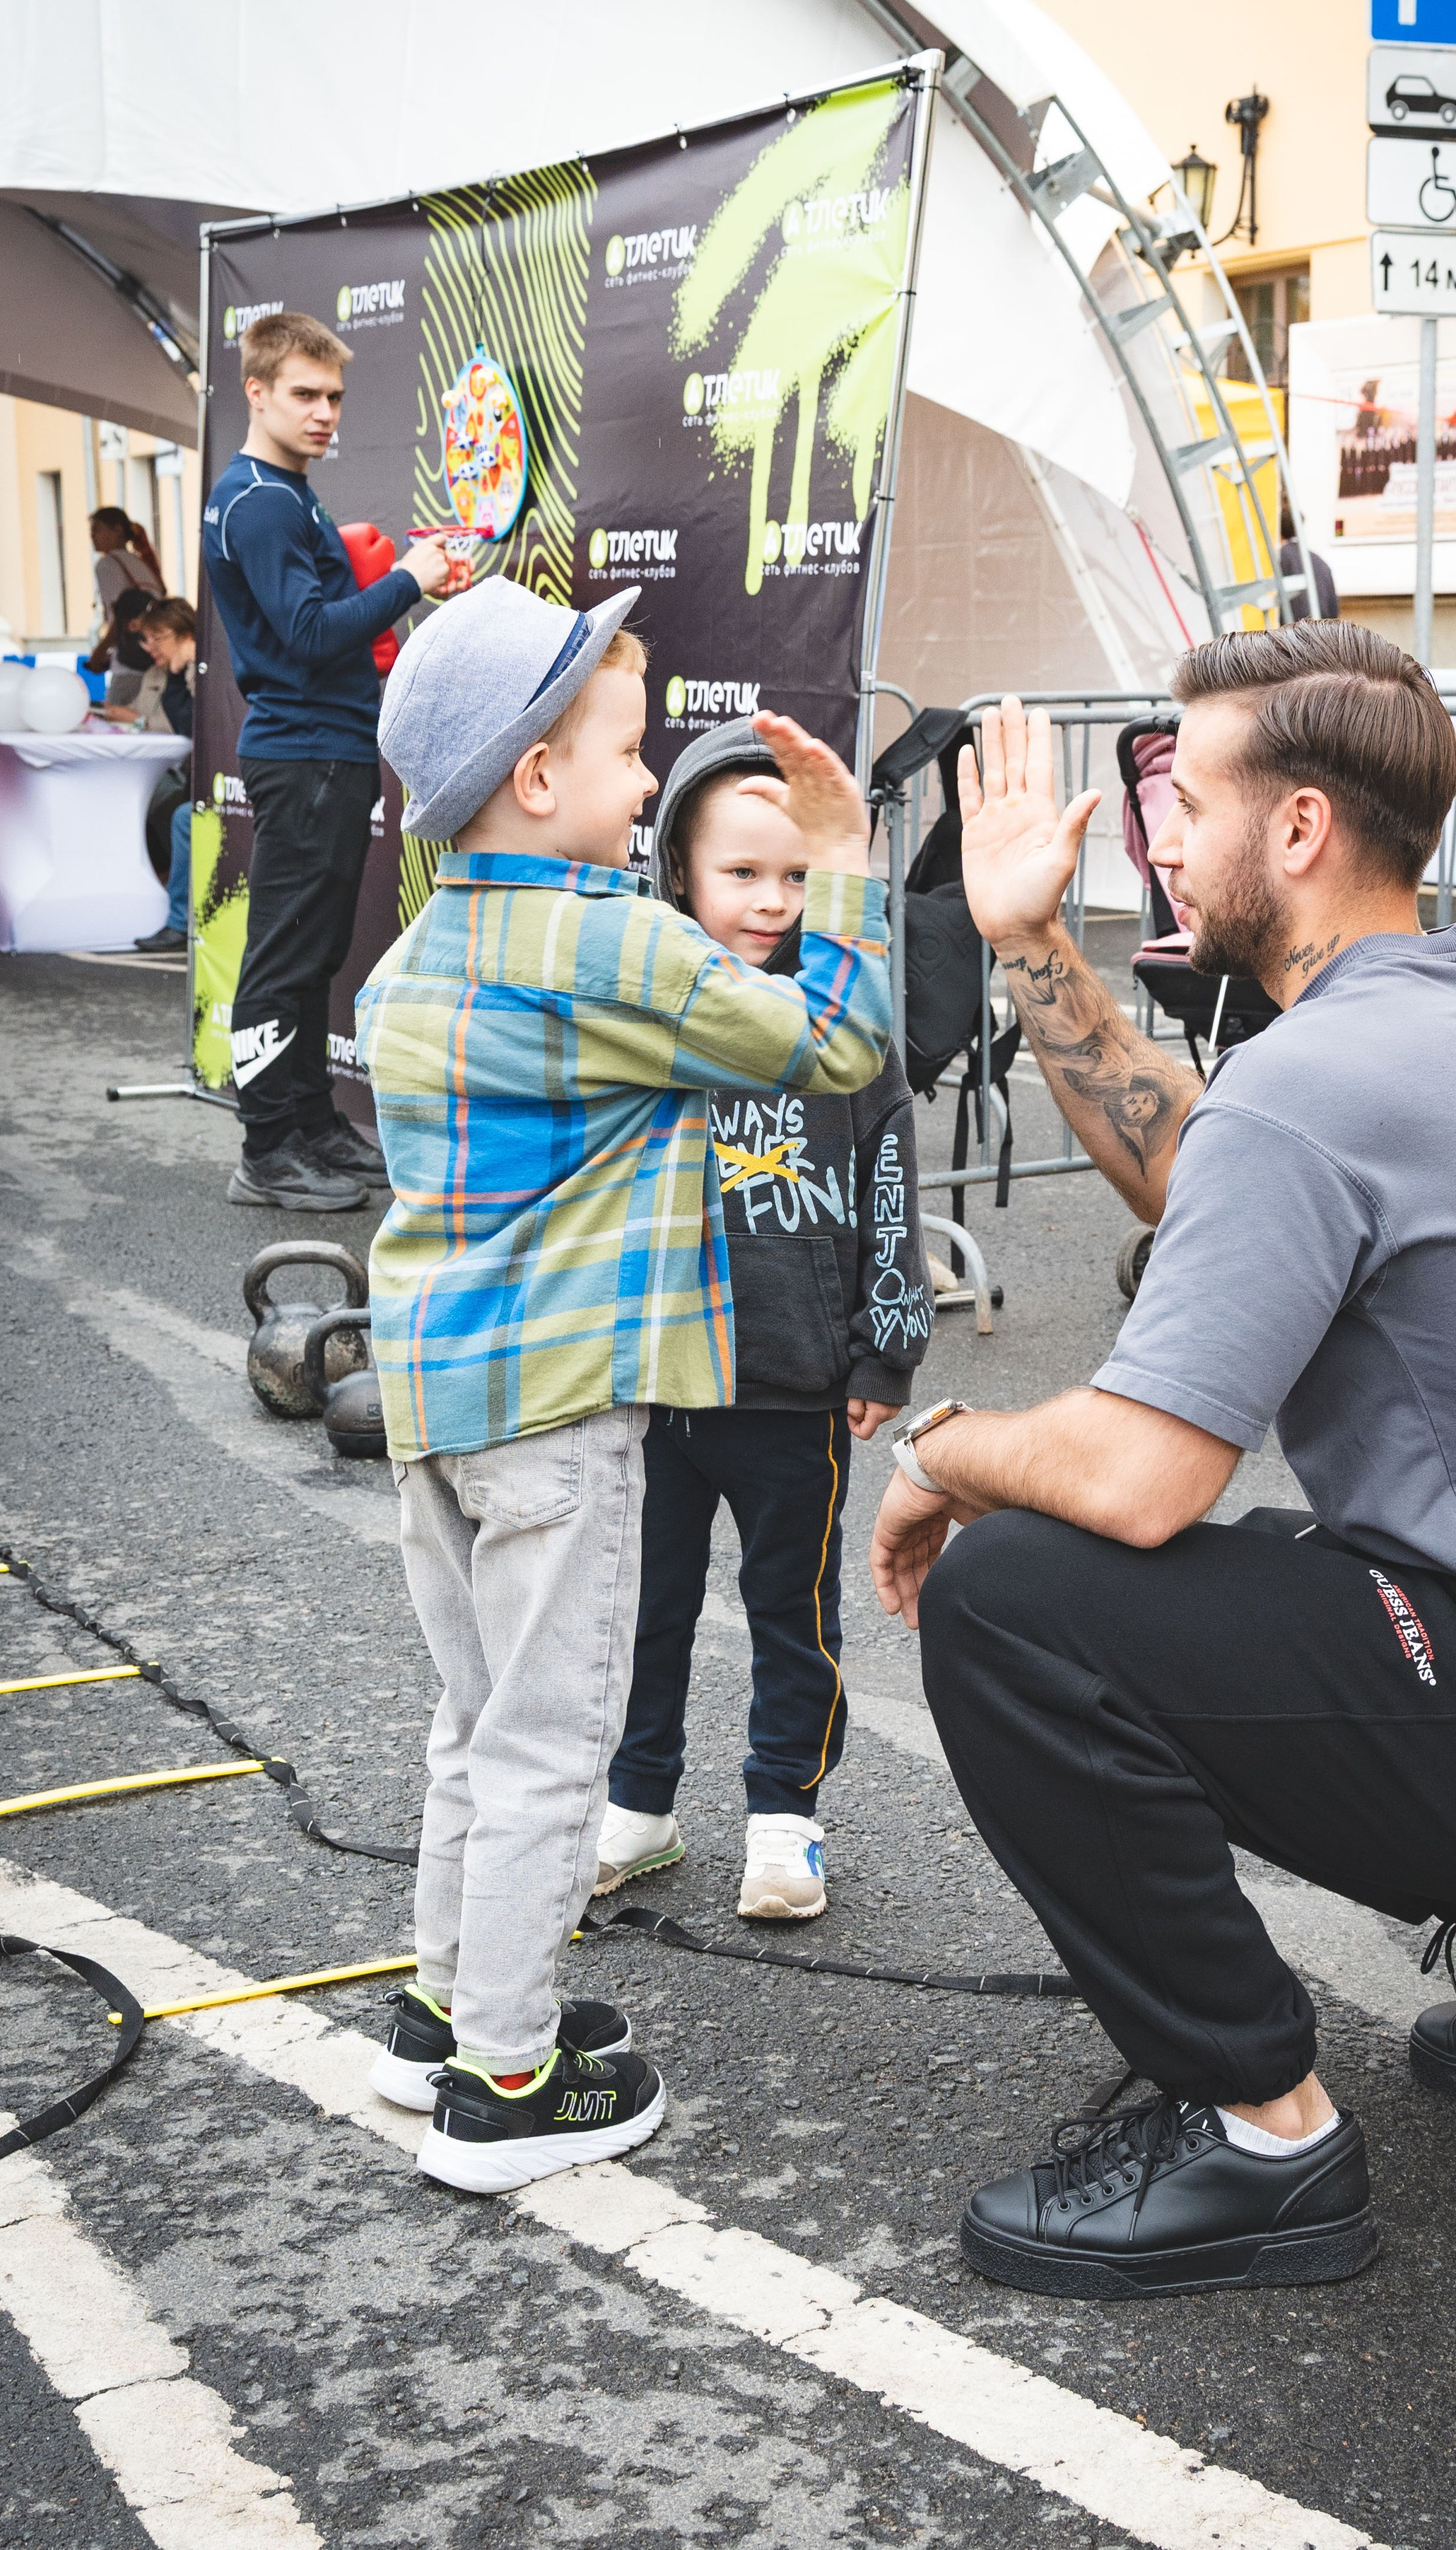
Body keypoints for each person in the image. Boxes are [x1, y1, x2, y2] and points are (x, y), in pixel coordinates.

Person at [869, 626, 1456, 2302]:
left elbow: (1139, 1479)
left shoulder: (1314, 1082)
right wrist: (1028, 938)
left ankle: (1263, 2136)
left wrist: (940, 1447)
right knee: (1276, 1560)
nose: (1158, 841)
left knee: (1016, 1596)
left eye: (1180, 802)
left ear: (1293, 832)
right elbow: (1205, 1170)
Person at [355, 576, 892, 2195]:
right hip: (559, 1411)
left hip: (435, 1404)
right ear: (536, 779)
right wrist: (847, 871)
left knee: (476, 1717)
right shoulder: (617, 947)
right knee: (546, 1742)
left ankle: (446, 2005)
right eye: (619, 745)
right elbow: (837, 1049)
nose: (644, 773)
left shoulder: (420, 955)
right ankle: (508, 2083)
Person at [594, 722, 931, 1923]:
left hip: (798, 1393)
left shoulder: (848, 1018)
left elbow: (893, 1179)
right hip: (660, 1390)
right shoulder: (651, 1013)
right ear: (677, 869)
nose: (775, 901)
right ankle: (637, 1808)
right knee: (648, 1609)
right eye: (743, 873)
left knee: (795, 1616)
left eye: (798, 876)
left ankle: (785, 1820)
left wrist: (888, 1340)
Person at [201, 309, 462, 1213]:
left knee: (309, 958)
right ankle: (267, 1147)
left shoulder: (281, 493)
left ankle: (308, 1124)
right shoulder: (264, 502)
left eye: (335, 397)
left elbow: (312, 622)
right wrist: (408, 582)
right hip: (306, 751)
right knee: (283, 960)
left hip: (328, 749)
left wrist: (377, 584)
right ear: (258, 390)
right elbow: (309, 637)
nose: (324, 413)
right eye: (304, 395)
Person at [121, 597, 199, 957]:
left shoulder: (207, 670)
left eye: (158, 638)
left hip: (229, 777)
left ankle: (180, 922)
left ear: (184, 633)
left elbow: (192, 724)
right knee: (177, 812)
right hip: (200, 773)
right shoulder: (181, 671)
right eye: (146, 639)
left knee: (181, 816)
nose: (150, 647)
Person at [84, 507, 165, 707]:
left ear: (117, 529)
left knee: (118, 723)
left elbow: (120, 618)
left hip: (128, 666)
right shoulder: (141, 563)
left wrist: (99, 654)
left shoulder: (108, 564)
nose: (92, 535)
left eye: (98, 529)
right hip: (155, 659)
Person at [1276, 502, 1339, 622]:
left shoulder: (1279, 558)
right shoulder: (1319, 561)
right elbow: (1333, 609)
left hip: (1292, 633)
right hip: (1323, 631)